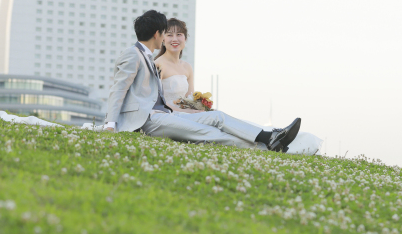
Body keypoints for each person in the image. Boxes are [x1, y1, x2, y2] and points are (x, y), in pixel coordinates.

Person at [104, 10, 300, 151]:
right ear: (158, 34)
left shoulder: (148, 56)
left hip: (166, 114)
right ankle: (265, 149)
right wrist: (110, 125)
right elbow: (118, 89)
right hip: (148, 119)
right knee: (206, 132)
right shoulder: (133, 54)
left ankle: (271, 137)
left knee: (218, 117)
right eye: (165, 32)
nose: (167, 36)